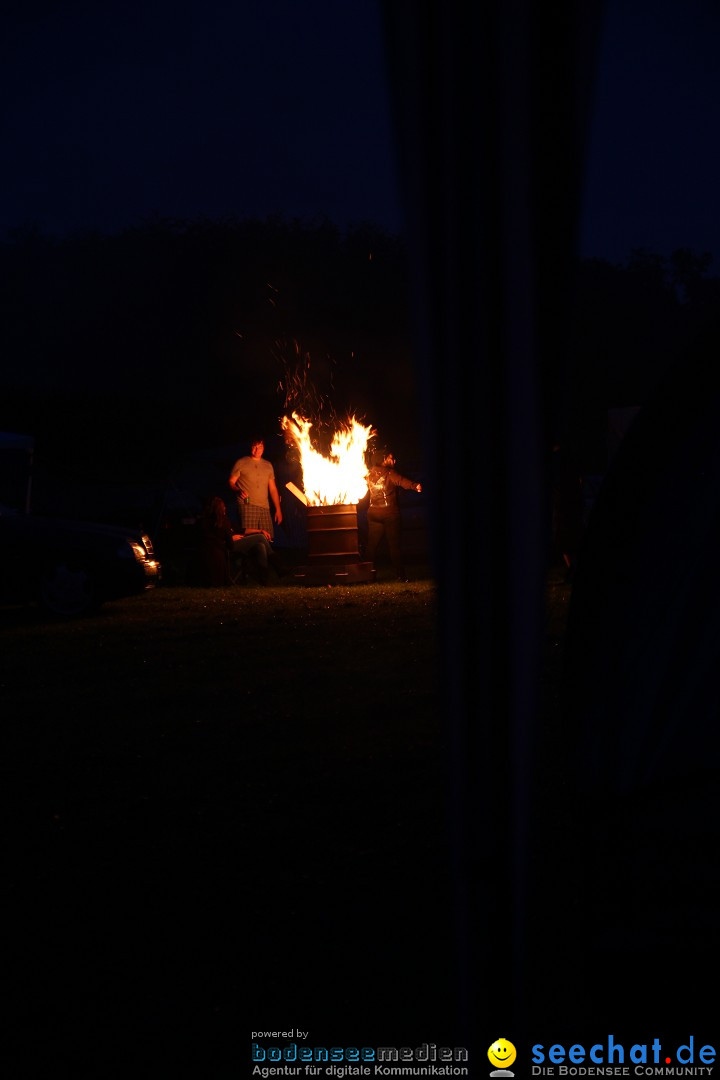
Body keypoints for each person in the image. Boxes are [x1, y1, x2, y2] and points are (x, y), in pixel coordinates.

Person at [364, 449, 422, 581]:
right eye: (391, 458)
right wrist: (415, 485)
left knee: (371, 546)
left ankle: (366, 575)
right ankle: (400, 576)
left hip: (373, 513)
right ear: (383, 459)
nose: (394, 460)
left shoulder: (369, 473)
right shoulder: (390, 473)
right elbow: (401, 481)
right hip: (389, 513)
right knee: (394, 547)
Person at [228, 437, 282, 539]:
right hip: (247, 505)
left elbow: (273, 489)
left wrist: (278, 509)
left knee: (268, 537)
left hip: (265, 507)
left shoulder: (268, 465)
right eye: (255, 447)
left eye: (260, 447)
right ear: (250, 447)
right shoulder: (241, 462)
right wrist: (238, 490)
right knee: (250, 538)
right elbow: (231, 482)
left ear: (264, 448)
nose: (257, 450)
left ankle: (266, 554)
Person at [186, 495, 235, 586]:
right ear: (220, 508)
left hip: (199, 563)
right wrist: (230, 539)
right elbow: (231, 546)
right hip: (217, 562)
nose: (225, 508)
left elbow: (193, 540)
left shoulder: (200, 522)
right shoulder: (224, 522)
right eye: (224, 506)